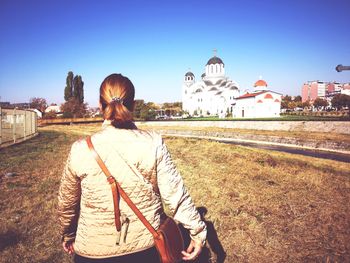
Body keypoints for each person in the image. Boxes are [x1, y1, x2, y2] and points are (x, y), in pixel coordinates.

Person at [58, 73, 207, 262]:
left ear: (99, 104)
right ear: (134, 104)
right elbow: (175, 194)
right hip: (146, 249)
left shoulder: (80, 149)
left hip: (92, 252)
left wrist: (68, 234)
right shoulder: (153, 143)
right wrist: (197, 231)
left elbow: (67, 204)